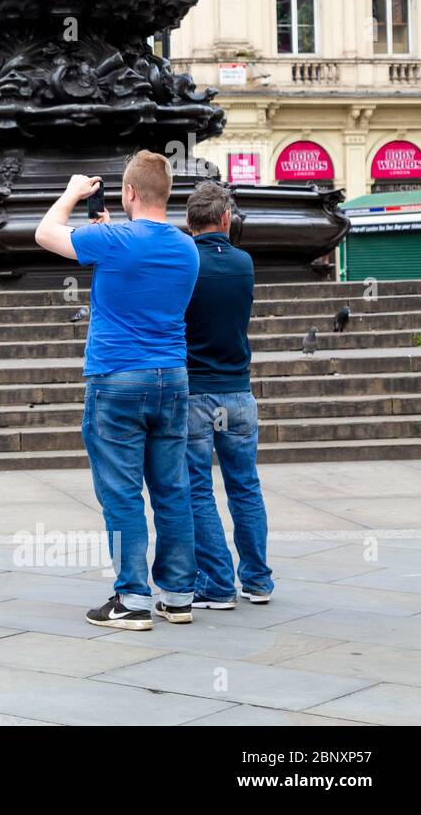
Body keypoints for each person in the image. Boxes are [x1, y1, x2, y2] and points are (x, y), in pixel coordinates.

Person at [34, 151, 200, 630]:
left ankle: (131, 599)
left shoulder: (112, 239)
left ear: (128, 193)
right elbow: (145, 268)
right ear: (166, 195)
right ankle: (178, 595)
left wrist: (71, 193)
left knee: (123, 492)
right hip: (172, 378)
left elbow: (46, 233)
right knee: (172, 489)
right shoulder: (186, 247)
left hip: (117, 379)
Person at [183, 181, 274, 608]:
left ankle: (217, 585)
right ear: (226, 219)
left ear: (188, 222)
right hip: (238, 393)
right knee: (245, 487)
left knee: (198, 490)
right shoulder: (245, 263)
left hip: (196, 393)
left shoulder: (185, 263)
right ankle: (257, 580)